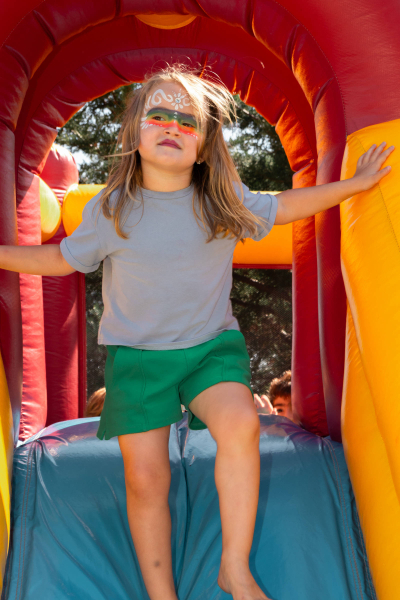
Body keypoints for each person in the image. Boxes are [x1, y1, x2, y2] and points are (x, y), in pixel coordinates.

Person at [0, 64, 393, 600]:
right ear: (135, 131)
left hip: (211, 348)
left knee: (239, 425)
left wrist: (355, 185)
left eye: (188, 121)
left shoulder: (220, 200)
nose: (172, 125)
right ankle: (162, 594)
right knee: (147, 479)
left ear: (206, 145)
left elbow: (284, 208)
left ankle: (234, 567)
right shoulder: (112, 210)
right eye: (158, 114)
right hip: (139, 359)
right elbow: (61, 259)